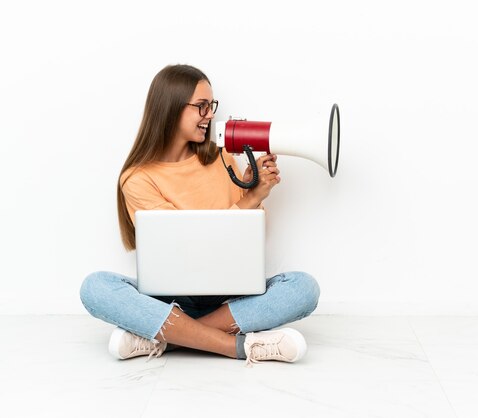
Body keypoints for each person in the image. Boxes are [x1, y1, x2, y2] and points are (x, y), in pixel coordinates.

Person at [80, 64, 320, 365]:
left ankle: (165, 338)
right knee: (95, 287)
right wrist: (250, 199)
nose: (210, 115)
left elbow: (249, 237)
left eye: (211, 106)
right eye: (201, 107)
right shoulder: (138, 178)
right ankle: (239, 346)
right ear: (169, 108)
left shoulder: (221, 158)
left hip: (227, 299)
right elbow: (184, 248)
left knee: (303, 288)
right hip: (169, 300)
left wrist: (254, 196)